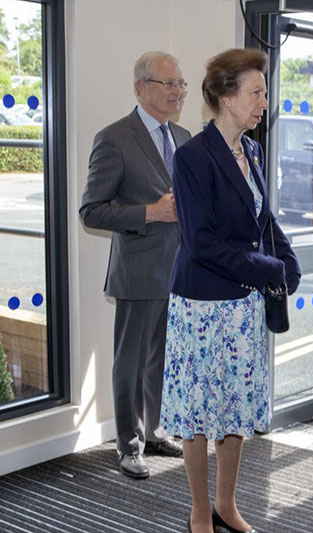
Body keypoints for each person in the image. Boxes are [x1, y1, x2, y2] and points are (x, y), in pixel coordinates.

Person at [159, 48, 300, 533]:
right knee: (199, 414)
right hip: (201, 306)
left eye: (264, 92)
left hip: (242, 307)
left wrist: (287, 260)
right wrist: (269, 268)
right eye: (257, 92)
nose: (265, 101)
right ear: (225, 95)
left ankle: (226, 504)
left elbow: (263, 218)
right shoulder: (193, 157)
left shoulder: (252, 150)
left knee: (236, 407)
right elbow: (201, 242)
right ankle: (200, 510)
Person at [79, 51, 190, 479]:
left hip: (180, 270)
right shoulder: (114, 138)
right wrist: (150, 213)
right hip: (139, 270)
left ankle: (156, 430)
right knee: (131, 364)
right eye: (169, 84)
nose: (178, 91)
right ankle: (128, 445)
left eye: (180, 83)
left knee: (163, 360)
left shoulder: (182, 137)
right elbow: (92, 211)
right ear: (142, 87)